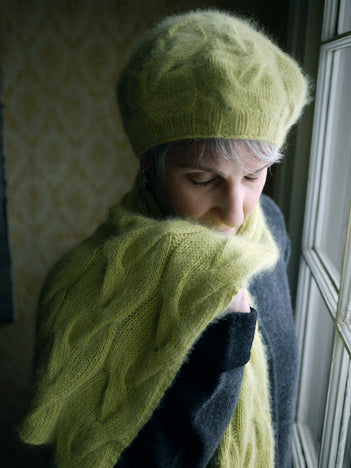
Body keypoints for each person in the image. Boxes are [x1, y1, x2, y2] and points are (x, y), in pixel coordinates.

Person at [19, 9, 308, 468]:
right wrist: (221, 347)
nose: (236, 210)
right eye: (202, 178)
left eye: (254, 175)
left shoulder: (269, 222)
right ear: (149, 166)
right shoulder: (86, 287)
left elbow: (280, 401)